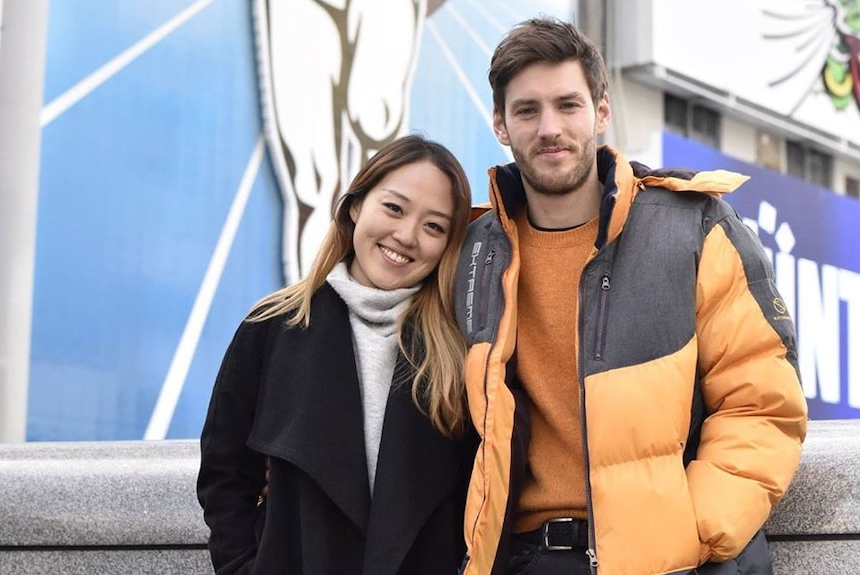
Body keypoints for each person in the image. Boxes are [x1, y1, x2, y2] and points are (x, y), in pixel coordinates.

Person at [452, 17, 808, 575]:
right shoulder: (475, 252)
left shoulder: (695, 227)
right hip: (523, 559)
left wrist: (695, 531)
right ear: (500, 123)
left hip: (667, 561)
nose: (550, 127)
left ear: (601, 111)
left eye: (568, 105)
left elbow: (760, 402)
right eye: (527, 110)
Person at [197, 134, 477, 575]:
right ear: (354, 206)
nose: (406, 236)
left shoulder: (460, 352)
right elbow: (224, 472)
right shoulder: (272, 328)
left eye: (434, 226)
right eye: (394, 208)